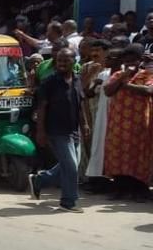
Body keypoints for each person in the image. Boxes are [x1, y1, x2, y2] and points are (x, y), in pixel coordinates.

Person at [28, 49, 89, 212]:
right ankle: (68, 202)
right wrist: (40, 132)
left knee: (69, 164)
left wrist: (84, 125)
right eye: (59, 61)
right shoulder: (49, 83)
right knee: (71, 167)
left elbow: (80, 104)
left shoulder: (76, 80)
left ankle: (40, 180)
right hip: (56, 130)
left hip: (74, 130)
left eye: (65, 61)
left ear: (73, 62)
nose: (61, 64)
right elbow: (42, 108)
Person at [102, 45, 153, 200]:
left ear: (140, 61)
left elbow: (148, 91)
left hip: (139, 123)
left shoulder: (147, 75)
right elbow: (108, 91)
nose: (130, 63)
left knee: (138, 155)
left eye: (133, 60)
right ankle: (120, 189)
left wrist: (126, 85)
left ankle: (139, 190)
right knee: (117, 154)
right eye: (127, 60)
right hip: (118, 123)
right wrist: (123, 77)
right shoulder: (118, 74)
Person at [84, 44, 120, 185]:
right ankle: (98, 180)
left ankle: (118, 183)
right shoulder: (103, 74)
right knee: (99, 146)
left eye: (112, 58)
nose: (108, 60)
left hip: (119, 117)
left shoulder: (124, 75)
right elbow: (89, 93)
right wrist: (94, 82)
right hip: (103, 116)